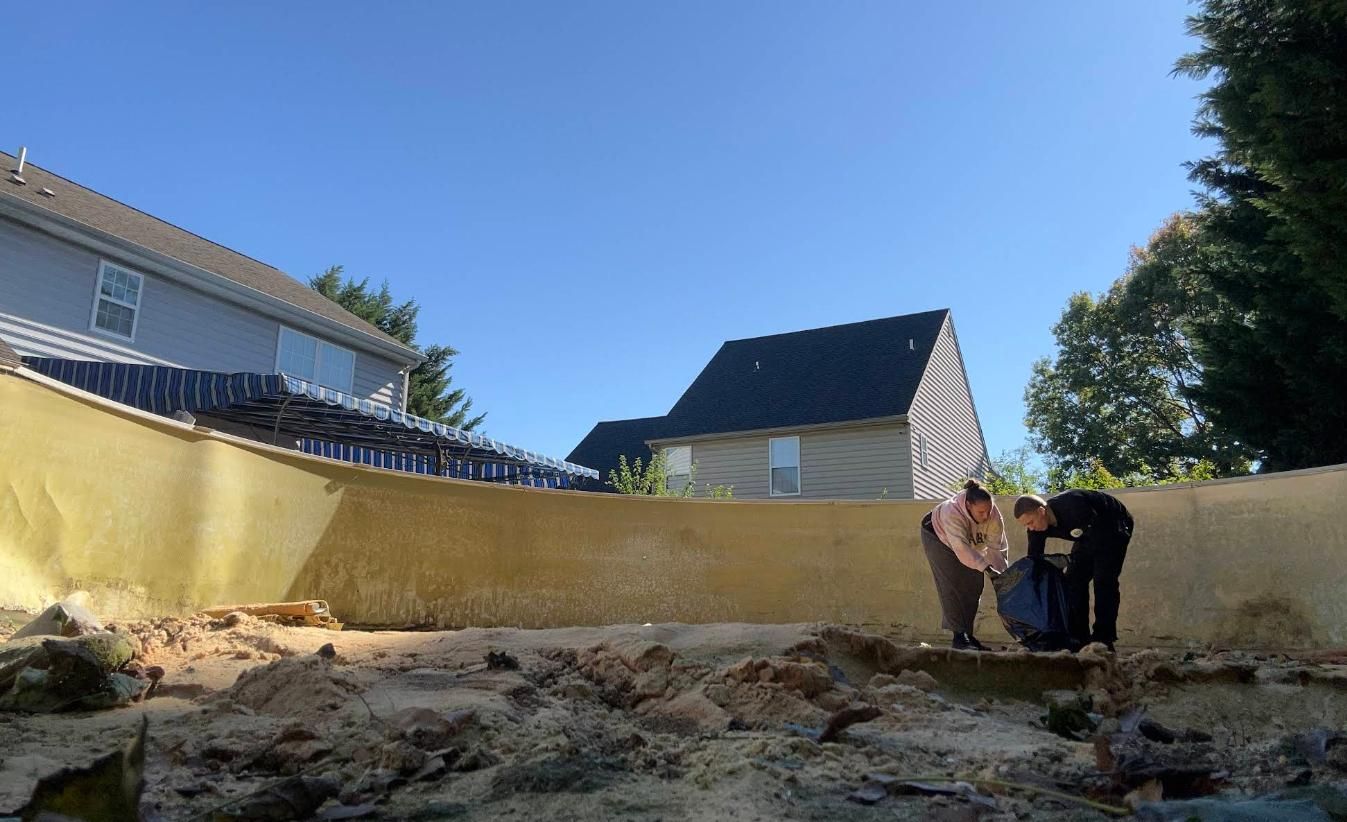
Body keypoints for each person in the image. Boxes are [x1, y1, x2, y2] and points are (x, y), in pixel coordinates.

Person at [1013, 491, 1134, 651]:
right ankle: (1078, 638)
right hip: (1087, 534)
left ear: (1041, 511)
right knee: (1072, 582)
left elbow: (1098, 545)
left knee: (1103, 581)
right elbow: (1035, 561)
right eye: (1026, 525)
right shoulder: (1036, 530)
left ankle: (1104, 638)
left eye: (1031, 522)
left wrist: (1071, 559)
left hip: (1113, 523)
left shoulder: (1073, 506)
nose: (1031, 528)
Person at [920, 479, 1010, 651]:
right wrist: (986, 568)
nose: (986, 516)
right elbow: (961, 549)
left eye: (988, 511)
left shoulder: (993, 515)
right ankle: (959, 638)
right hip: (936, 536)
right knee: (952, 584)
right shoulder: (951, 512)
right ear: (968, 505)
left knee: (975, 584)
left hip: (967, 543)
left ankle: (968, 636)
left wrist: (1001, 575)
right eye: (981, 512)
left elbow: (996, 548)